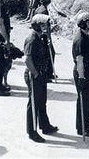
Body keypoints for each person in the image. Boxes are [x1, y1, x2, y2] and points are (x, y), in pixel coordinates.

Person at [24, 14, 58, 143]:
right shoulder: (32, 38)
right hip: (34, 74)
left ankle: (45, 125)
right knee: (33, 103)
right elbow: (27, 59)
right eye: (43, 25)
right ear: (37, 25)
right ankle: (32, 132)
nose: (46, 27)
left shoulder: (41, 37)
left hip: (41, 73)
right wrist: (35, 73)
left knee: (42, 101)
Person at [72, 12, 89, 137]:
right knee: (83, 99)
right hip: (81, 71)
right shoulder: (80, 39)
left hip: (86, 70)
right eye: (88, 22)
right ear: (83, 24)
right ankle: (81, 127)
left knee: (88, 98)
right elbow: (80, 60)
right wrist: (81, 77)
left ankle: (86, 121)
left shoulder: (85, 35)